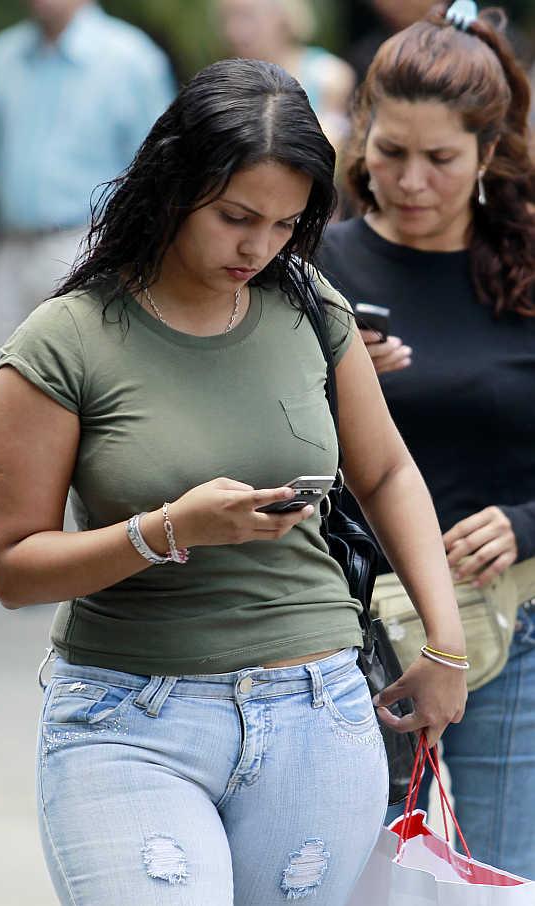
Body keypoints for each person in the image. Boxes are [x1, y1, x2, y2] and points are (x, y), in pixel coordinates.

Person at [0, 58, 466, 905]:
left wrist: (444, 644)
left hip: (318, 708)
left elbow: (385, 470)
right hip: (128, 720)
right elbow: (14, 567)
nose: (259, 246)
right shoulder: (63, 341)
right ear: (172, 187)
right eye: (236, 217)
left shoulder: (310, 306)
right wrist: (166, 531)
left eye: (285, 223)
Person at [317, 1, 535, 879]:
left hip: (504, 629)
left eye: (440, 159)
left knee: (493, 877)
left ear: (487, 154)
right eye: (391, 152)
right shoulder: (312, 268)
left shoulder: (524, 268)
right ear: (361, 136)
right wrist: (320, 382)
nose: (411, 181)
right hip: (338, 636)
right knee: (341, 880)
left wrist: (526, 521)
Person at [0, 0, 176, 362]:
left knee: (83, 384)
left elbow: (158, 172)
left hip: (88, 244)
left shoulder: (132, 59)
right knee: (3, 385)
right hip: (8, 252)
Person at [217, 0, 355, 156]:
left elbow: (331, 151)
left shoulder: (328, 75)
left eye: (247, 16)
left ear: (283, 15)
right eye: (227, 18)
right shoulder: (221, 82)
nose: (234, 31)